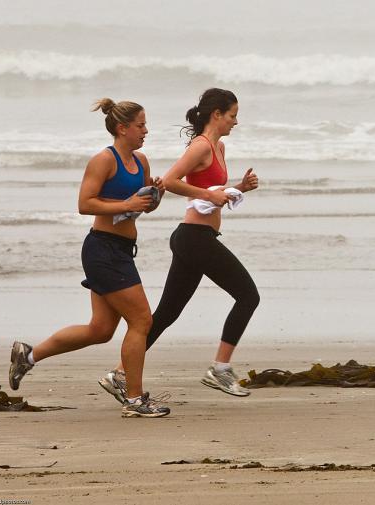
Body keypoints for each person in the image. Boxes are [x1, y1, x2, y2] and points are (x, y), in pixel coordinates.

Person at [8, 98, 170, 418]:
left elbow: (140, 208)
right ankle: (135, 399)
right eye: (140, 125)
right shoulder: (103, 161)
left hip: (121, 250)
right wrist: (126, 205)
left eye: (145, 125)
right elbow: (85, 203)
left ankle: (28, 356)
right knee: (141, 321)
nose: (146, 131)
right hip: (102, 250)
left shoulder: (142, 162)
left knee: (100, 329)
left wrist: (154, 198)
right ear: (122, 128)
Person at [98, 88, 260, 403]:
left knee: (168, 312)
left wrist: (238, 188)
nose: (235, 122)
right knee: (248, 295)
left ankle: (118, 373)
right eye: (232, 115)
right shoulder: (201, 146)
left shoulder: (219, 147)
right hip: (194, 238)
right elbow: (170, 180)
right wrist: (209, 196)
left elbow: (210, 188)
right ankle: (220, 368)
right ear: (217, 114)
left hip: (195, 238)